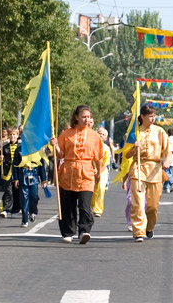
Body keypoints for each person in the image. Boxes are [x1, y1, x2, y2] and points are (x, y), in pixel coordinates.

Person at [51, 105, 103, 244]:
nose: (87, 119)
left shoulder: (94, 136)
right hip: (68, 171)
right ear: (76, 117)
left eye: (89, 117)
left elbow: (98, 157)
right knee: (68, 204)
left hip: (86, 172)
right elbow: (59, 154)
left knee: (85, 205)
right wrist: (55, 145)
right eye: (84, 117)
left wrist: (98, 172)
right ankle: (68, 232)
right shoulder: (66, 134)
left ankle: (84, 231)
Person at [125, 105, 167, 242]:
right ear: (142, 116)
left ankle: (149, 227)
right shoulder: (135, 132)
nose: (153, 118)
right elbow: (126, 155)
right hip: (138, 168)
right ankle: (138, 231)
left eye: (154, 115)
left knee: (153, 206)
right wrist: (134, 148)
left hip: (155, 169)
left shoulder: (160, 131)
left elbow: (168, 151)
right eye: (150, 116)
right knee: (137, 202)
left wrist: (167, 161)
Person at [13, 135, 47, 228]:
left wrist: (43, 180)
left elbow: (41, 166)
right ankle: (24, 220)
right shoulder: (19, 150)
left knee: (34, 196)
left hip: (34, 175)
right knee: (24, 198)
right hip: (22, 175)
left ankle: (33, 211)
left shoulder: (37, 151)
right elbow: (15, 165)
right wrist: (15, 178)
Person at [0, 127, 21, 218]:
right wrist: (0, 159)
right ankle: (5, 209)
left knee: (17, 191)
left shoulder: (20, 148)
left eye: (14, 134)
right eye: (10, 135)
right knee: (8, 191)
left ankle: (16, 208)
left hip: (18, 172)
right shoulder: (5, 147)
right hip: (8, 172)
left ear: (17, 136)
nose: (12, 136)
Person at [91, 127, 113, 218]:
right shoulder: (91, 146)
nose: (101, 135)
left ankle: (98, 210)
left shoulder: (106, 148)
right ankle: (92, 206)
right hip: (91, 170)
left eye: (103, 135)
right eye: (99, 133)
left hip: (102, 172)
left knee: (100, 188)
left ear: (106, 138)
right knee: (92, 190)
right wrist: (93, 169)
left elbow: (106, 163)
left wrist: (99, 172)